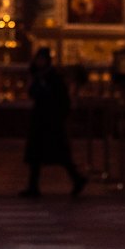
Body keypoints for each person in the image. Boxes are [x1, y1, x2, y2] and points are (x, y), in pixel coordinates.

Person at [20, 46, 87, 197]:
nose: (39, 62)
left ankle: (76, 179)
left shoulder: (52, 77)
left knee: (59, 155)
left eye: (42, 59)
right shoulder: (39, 75)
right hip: (42, 120)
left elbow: (61, 99)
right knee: (38, 156)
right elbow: (34, 93)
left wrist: (58, 116)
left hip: (50, 121)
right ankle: (34, 186)